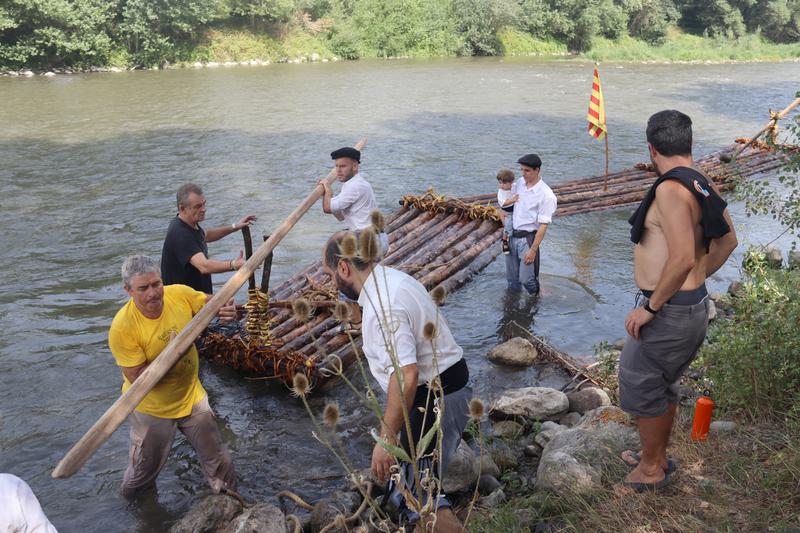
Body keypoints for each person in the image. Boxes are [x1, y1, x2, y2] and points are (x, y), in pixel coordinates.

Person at [618, 110, 737, 491]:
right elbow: (728, 241)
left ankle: (652, 469)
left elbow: (683, 256)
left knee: (641, 382)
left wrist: (652, 306)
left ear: (651, 149)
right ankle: (655, 454)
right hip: (690, 304)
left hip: (668, 310)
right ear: (689, 144)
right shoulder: (702, 181)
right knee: (661, 383)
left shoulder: (670, 189)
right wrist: (697, 283)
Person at [322, 231, 471, 532]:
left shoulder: (382, 306)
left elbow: (407, 375)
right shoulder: (390, 279)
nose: (331, 283)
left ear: (343, 267)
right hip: (438, 391)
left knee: (421, 496)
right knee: (411, 488)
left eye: (330, 275)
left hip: (435, 399)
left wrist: (387, 439)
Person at [109, 255, 237, 498]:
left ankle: (231, 502)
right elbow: (138, 378)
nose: (153, 294)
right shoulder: (122, 327)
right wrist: (174, 354)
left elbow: (213, 304)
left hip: (190, 395)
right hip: (152, 408)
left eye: (156, 284)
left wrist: (226, 309)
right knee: (142, 476)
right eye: (143, 288)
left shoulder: (178, 294)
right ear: (128, 290)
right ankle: (142, 513)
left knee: (219, 460)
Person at [161, 182, 257, 294]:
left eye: (204, 204)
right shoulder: (180, 234)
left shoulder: (190, 223)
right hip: (185, 306)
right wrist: (234, 264)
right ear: (182, 209)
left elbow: (205, 235)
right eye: (197, 206)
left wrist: (235, 226)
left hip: (199, 299)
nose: (203, 209)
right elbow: (204, 266)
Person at [504, 154, 557, 294]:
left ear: (537, 170)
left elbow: (543, 225)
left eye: (527, 170)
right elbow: (506, 198)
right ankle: (512, 307)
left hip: (527, 239)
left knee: (526, 279)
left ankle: (536, 297)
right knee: (512, 279)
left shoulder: (547, 195)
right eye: (521, 170)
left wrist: (533, 250)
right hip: (511, 235)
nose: (523, 174)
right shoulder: (521, 183)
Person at [319, 147, 389, 253]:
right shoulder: (353, 184)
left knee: (331, 250)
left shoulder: (355, 186)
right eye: (336, 166)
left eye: (343, 166)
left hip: (370, 242)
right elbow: (340, 216)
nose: (338, 171)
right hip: (373, 239)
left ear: (355, 166)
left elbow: (327, 208)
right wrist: (327, 194)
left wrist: (328, 191)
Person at [496, 168, 518, 255]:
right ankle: (505, 240)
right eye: (500, 183)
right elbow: (503, 203)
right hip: (507, 212)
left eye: (504, 183)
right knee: (508, 225)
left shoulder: (514, 186)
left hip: (514, 210)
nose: (501, 185)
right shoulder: (501, 192)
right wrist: (513, 200)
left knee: (515, 225)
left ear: (511, 182)